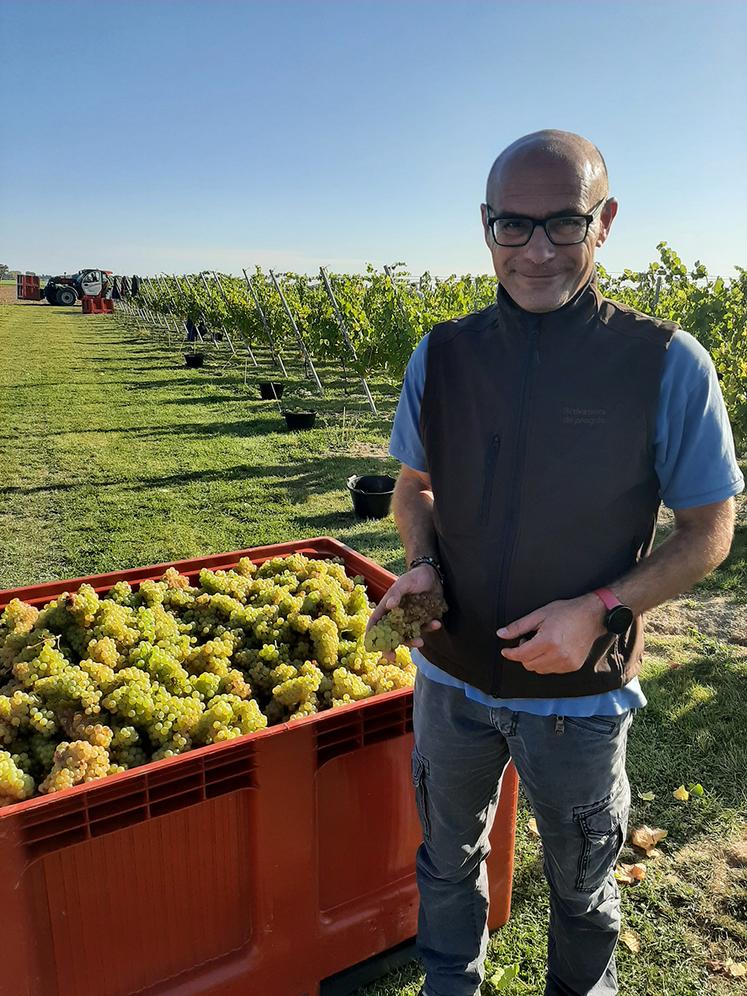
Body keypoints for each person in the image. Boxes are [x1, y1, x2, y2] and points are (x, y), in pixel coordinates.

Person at [367, 129, 745, 996]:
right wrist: (421, 563)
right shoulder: (442, 353)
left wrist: (602, 608)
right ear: (486, 225)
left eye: (563, 224)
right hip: (449, 680)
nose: (536, 250)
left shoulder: (664, 362)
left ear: (602, 222)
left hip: (578, 702)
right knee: (445, 860)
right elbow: (414, 487)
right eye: (513, 225)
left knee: (580, 890)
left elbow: (708, 530)